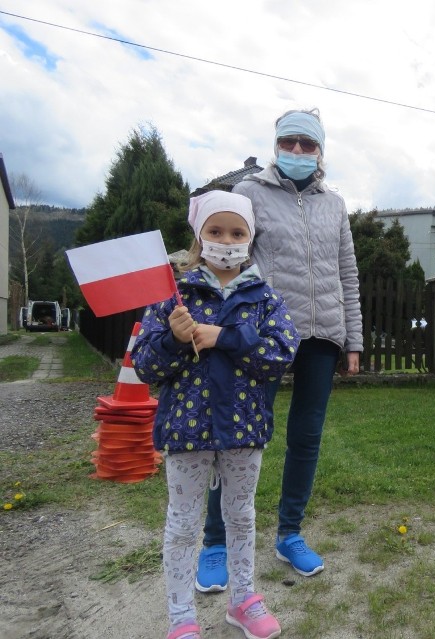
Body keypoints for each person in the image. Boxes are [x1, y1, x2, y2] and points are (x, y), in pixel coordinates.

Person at [196, 108, 363, 590]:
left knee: (306, 439)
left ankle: (289, 533)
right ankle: (215, 541)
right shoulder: (248, 194)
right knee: (240, 437)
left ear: (320, 151)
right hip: (263, 336)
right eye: (288, 142)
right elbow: (231, 259)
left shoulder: (335, 204)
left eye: (306, 145)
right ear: (275, 145)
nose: (296, 152)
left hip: (322, 336)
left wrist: (352, 338)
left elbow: (347, 273)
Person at [132, 190, 300, 639]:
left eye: (237, 232)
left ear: (250, 238)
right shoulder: (171, 299)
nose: (227, 239)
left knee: (242, 515)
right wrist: (172, 338)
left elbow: (280, 354)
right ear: (199, 237)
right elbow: (146, 366)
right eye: (216, 231)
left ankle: (243, 599)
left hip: (244, 429)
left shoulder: (265, 300)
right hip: (187, 431)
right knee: (184, 525)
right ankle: (181, 616)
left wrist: (223, 336)